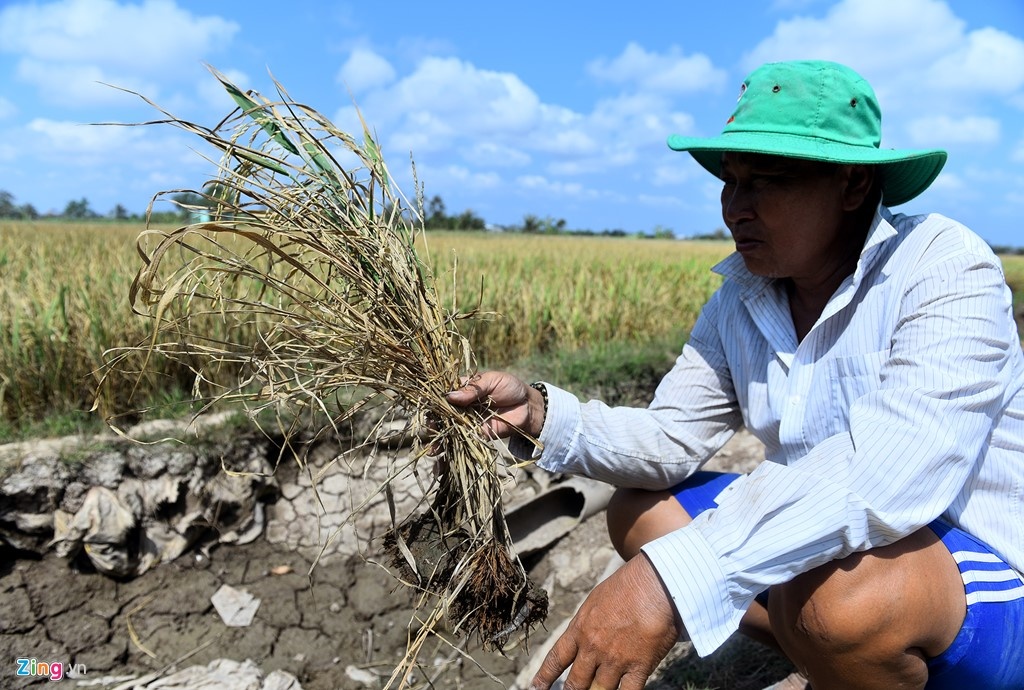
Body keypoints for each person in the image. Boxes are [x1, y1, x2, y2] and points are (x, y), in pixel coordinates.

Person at [446, 60, 1024, 690]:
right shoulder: (742, 296)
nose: (736, 209)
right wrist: (538, 411)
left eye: (767, 181)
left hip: (977, 563)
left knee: (839, 601)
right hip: (847, 554)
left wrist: (672, 579)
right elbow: (670, 437)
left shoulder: (941, 266)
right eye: (731, 180)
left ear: (853, 185)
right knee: (643, 510)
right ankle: (824, 652)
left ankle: (841, 641)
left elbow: (887, 474)